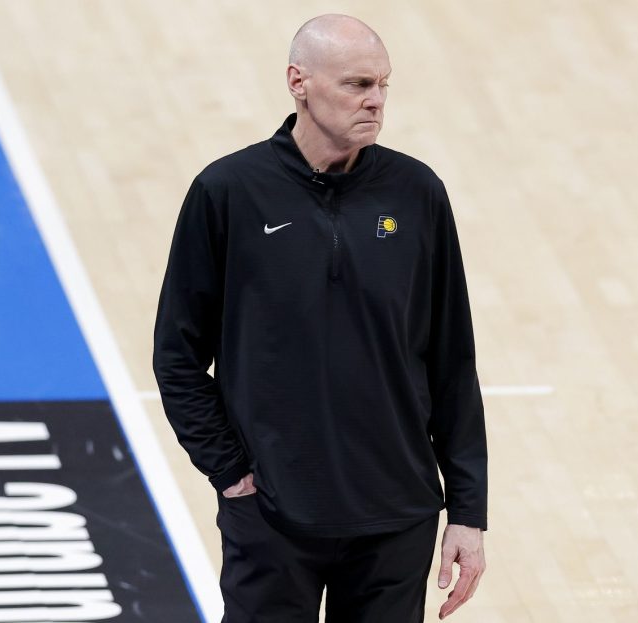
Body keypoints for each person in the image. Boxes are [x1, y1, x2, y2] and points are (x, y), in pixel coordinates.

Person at [152, 13, 487, 622]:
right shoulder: (228, 191)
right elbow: (176, 354)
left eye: (384, 85)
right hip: (275, 515)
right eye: (358, 85)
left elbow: (452, 361)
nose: (377, 101)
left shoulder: (417, 194)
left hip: (396, 515)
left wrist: (467, 510)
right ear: (298, 82)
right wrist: (231, 473)